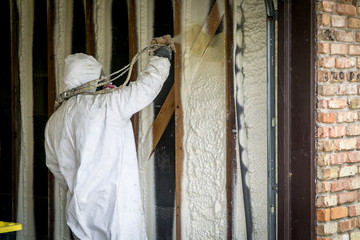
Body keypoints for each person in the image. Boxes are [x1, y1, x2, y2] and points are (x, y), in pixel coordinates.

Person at [44, 43, 172, 239]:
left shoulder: (54, 121)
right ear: (94, 78)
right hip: (116, 220)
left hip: (80, 221)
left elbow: (55, 167)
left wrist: (79, 186)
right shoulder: (106, 105)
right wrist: (161, 57)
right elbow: (146, 88)